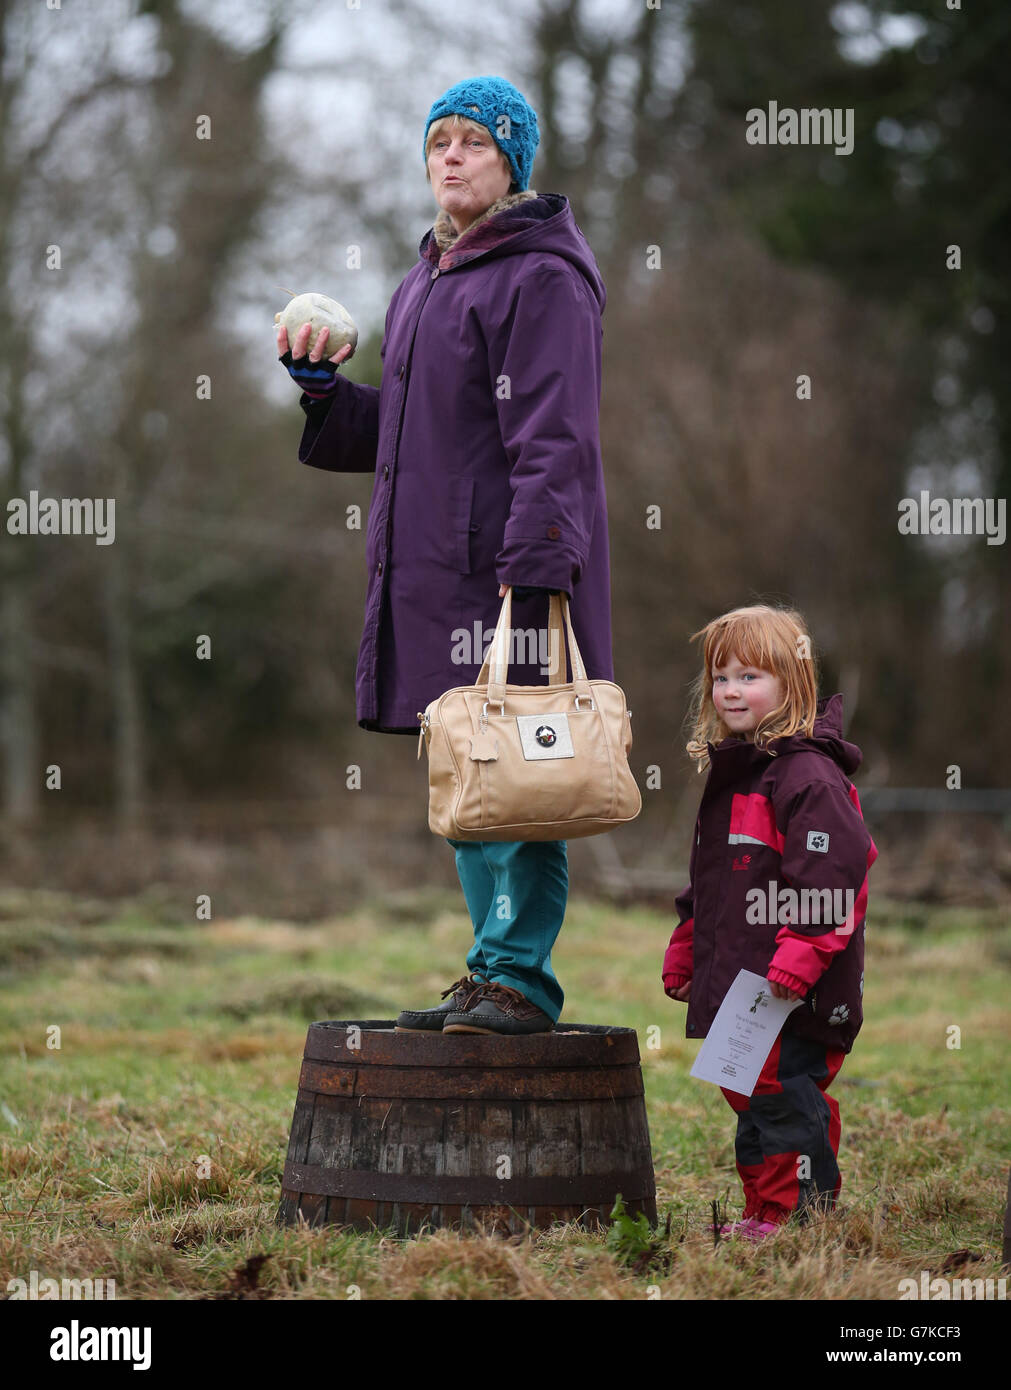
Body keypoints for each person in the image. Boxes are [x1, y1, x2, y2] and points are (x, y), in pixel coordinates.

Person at [276, 76, 613, 1036]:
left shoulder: (543, 274)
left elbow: (558, 437)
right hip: (432, 568)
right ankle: (488, 970)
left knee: (525, 775)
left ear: (512, 160)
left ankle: (520, 980)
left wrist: (540, 562)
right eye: (438, 142)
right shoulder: (425, 277)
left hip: (512, 569)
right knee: (473, 774)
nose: (451, 156)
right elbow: (407, 436)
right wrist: (324, 396)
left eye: (473, 140)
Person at [662, 604, 878, 1238]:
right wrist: (688, 950)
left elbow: (836, 875)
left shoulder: (806, 776)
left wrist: (798, 958)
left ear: (792, 684)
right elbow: (711, 885)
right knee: (751, 1098)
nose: (732, 690)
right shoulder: (738, 775)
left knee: (782, 1093)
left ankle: (798, 1216)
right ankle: (763, 1210)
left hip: (791, 985)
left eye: (751, 676)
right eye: (721, 676)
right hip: (744, 982)